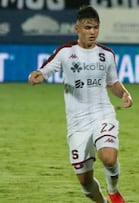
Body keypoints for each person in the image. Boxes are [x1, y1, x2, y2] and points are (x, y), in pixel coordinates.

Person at [28, 5, 132, 203]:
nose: (92, 32)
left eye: (95, 28)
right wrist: (37, 75)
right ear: (77, 29)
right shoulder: (66, 52)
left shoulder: (107, 54)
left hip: (103, 114)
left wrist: (125, 94)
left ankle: (113, 190)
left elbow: (113, 83)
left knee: (108, 158)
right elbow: (45, 70)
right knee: (85, 182)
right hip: (77, 122)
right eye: (87, 28)